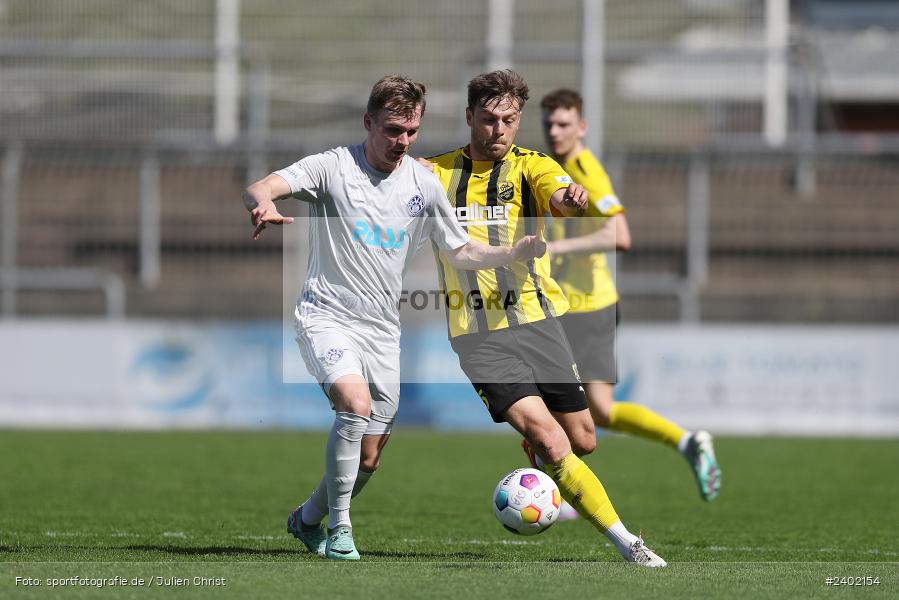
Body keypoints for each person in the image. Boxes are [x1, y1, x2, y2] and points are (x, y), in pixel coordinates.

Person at [243, 75, 546, 561]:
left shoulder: (422, 184)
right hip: (326, 317)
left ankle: (306, 519)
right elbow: (264, 185)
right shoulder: (332, 167)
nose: (401, 141)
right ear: (369, 122)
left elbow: (461, 250)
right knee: (353, 403)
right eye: (391, 130)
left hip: (383, 332)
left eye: (411, 131)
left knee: (368, 458)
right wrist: (261, 203)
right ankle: (340, 530)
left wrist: (512, 251)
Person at [421, 70, 667, 567]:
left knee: (583, 440)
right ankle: (630, 545)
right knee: (555, 441)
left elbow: (558, 192)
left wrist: (570, 200)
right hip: (478, 336)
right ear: (470, 117)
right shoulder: (433, 173)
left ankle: (541, 449)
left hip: (539, 321)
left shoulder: (533, 165)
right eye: (489, 119)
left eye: (509, 120)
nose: (499, 130)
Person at [535, 88, 721, 506]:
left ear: (582, 127)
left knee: (545, 405)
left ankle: (552, 497)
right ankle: (688, 441)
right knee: (599, 410)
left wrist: (558, 249)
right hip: (575, 305)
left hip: (587, 307)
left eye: (564, 123)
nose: (554, 131)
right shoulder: (554, 168)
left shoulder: (585, 169)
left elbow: (620, 235)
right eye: (549, 123)